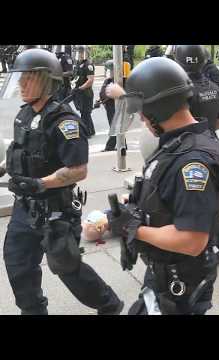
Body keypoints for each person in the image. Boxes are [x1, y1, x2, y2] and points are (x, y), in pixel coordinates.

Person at [3, 49, 124, 315]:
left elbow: (78, 170)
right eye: (20, 78)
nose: (22, 83)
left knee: (68, 269)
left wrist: (40, 184)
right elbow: (20, 151)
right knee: (17, 264)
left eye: (29, 78)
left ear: (48, 81)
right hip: (25, 209)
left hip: (56, 212)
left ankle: (109, 305)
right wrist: (3, 168)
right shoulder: (24, 115)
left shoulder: (65, 122)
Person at [105, 57, 219, 315]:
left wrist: (132, 228)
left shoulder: (192, 162)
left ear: (157, 109)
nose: (141, 117)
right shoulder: (181, 141)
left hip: (180, 279)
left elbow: (192, 239)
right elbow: (169, 196)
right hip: (165, 271)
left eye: (142, 111)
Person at [174, 44, 219, 263]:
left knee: (194, 204)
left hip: (190, 153)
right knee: (212, 203)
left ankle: (202, 254)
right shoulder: (213, 86)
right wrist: (207, 130)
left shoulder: (181, 91)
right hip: (214, 148)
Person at [72, 45, 96, 137]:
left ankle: (87, 133)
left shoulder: (88, 65)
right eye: (79, 52)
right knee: (84, 113)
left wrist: (80, 88)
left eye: (81, 52)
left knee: (85, 113)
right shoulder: (78, 64)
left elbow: (90, 80)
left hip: (86, 93)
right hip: (80, 93)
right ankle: (91, 130)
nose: (80, 54)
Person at [95, 59, 117, 151]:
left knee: (114, 126)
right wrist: (99, 100)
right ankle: (122, 144)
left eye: (110, 70)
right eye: (107, 70)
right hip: (108, 106)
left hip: (113, 106)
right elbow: (104, 92)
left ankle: (109, 147)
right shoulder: (108, 80)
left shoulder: (118, 80)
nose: (108, 72)